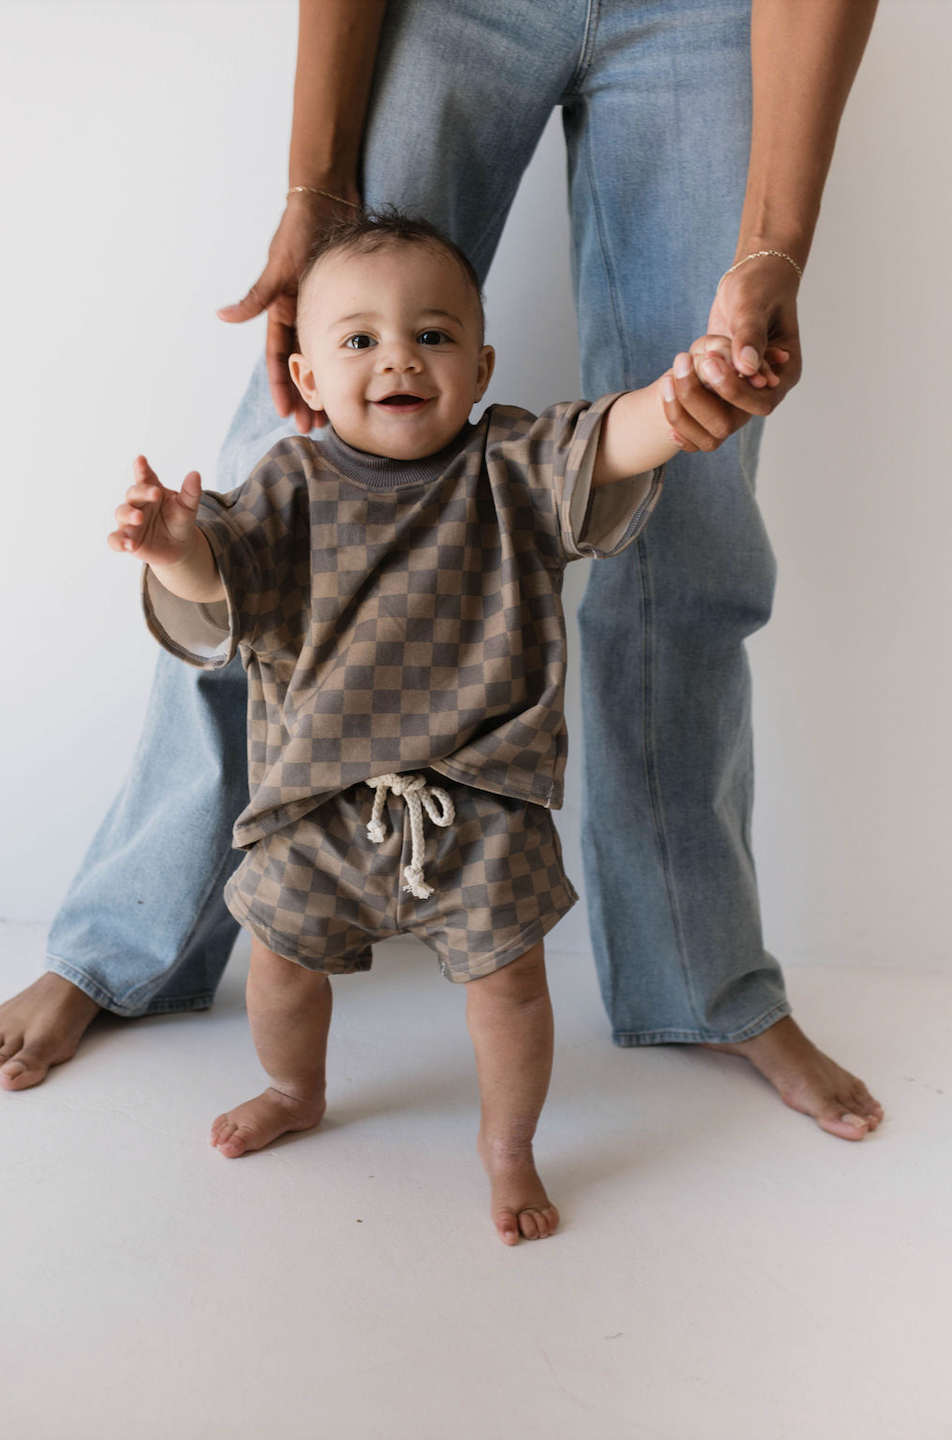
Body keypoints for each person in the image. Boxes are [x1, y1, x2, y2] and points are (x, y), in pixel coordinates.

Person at [1, 0, 884, 1142]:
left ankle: (701, 977)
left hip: (712, 21)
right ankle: (123, 943)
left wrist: (773, 248)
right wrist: (313, 187)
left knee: (693, 480)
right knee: (260, 492)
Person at [107, 211, 770, 1243]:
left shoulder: (512, 463)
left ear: (479, 363)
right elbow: (217, 592)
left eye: (432, 334)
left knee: (509, 990)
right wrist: (173, 548)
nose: (398, 359)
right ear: (308, 377)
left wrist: (679, 406)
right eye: (359, 338)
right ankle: (295, 1089)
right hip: (315, 805)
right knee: (280, 967)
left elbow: (613, 439)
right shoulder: (287, 486)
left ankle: (508, 1145)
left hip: (483, 805)